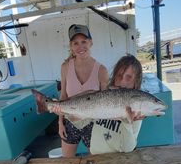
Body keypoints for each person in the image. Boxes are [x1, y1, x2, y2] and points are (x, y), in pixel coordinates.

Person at [56, 24, 109, 157]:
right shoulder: (65, 67)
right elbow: (63, 96)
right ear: (71, 46)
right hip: (70, 121)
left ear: (90, 42)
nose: (80, 47)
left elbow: (107, 102)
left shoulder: (101, 70)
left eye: (84, 42)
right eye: (76, 43)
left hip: (93, 124)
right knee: (67, 163)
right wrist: (60, 123)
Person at [89, 54, 145, 154]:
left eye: (128, 77)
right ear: (114, 77)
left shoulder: (136, 111)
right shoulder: (102, 97)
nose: (122, 81)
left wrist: (127, 122)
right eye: (119, 76)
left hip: (119, 162)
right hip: (95, 158)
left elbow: (128, 148)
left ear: (135, 82)